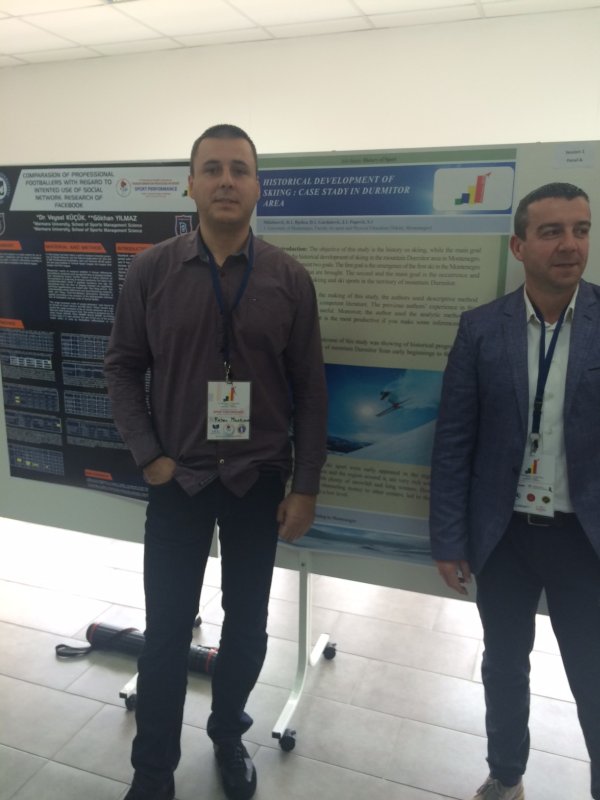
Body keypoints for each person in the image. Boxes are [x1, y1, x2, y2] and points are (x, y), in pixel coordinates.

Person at [104, 124, 328, 800]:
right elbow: (122, 367)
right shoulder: (152, 271)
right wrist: (149, 456)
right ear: (191, 184)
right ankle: (152, 773)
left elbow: (310, 389)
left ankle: (228, 734)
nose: (226, 180)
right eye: (212, 169)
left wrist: (305, 486)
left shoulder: (288, 278)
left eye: (239, 169)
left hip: (257, 481)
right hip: (180, 480)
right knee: (166, 632)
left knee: (248, 628)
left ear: (258, 186)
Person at [429, 182, 600, 800]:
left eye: (581, 229)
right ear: (519, 246)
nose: (570, 245)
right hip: (504, 536)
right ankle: (505, 775)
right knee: (503, 664)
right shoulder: (481, 329)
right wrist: (450, 539)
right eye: (552, 232)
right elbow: (454, 441)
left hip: (584, 539)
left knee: (594, 677)